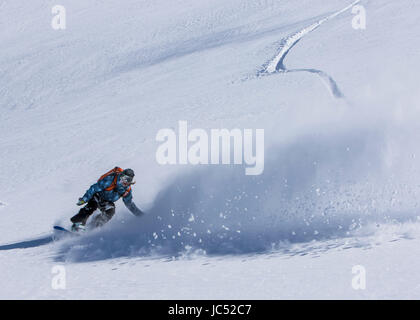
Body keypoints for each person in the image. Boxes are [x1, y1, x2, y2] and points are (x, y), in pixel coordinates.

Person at [70, 167, 144, 232]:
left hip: (107, 202)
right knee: (92, 205)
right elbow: (94, 188)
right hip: (99, 195)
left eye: (128, 180)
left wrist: (141, 216)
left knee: (110, 211)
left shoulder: (126, 190)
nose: (125, 182)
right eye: (124, 178)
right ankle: (78, 223)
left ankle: (95, 225)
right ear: (121, 176)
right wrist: (84, 199)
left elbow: (129, 204)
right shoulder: (110, 180)